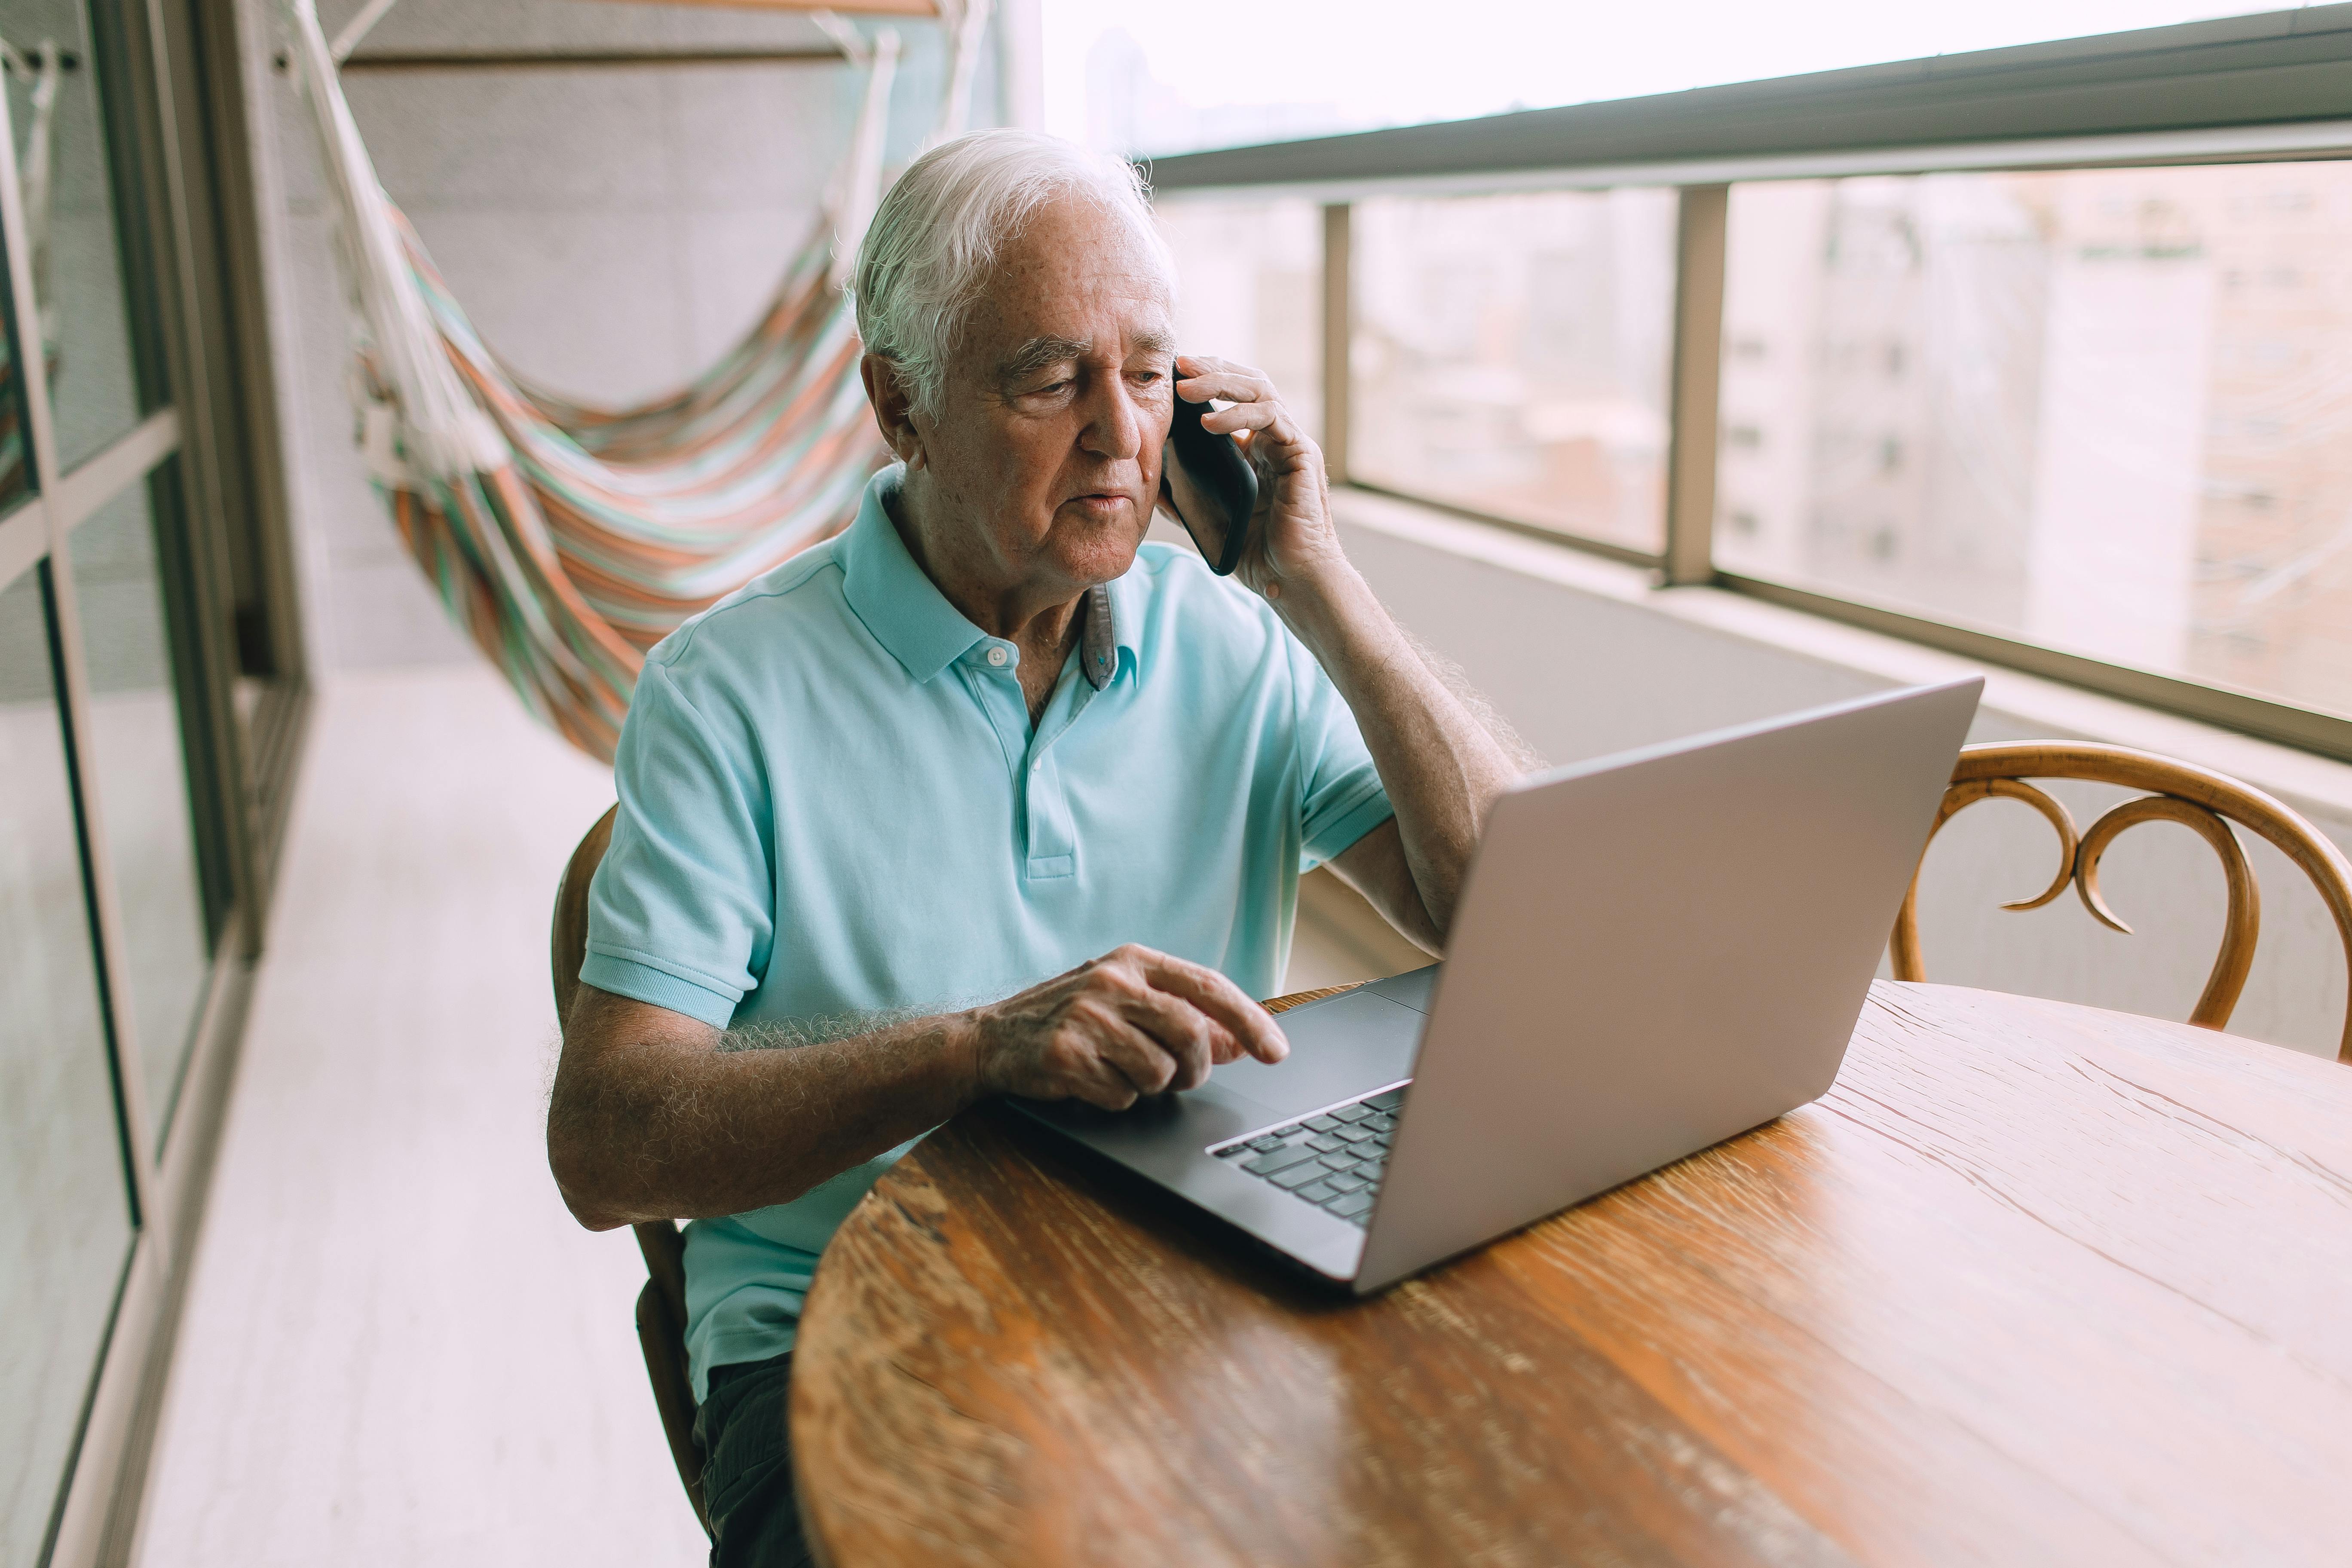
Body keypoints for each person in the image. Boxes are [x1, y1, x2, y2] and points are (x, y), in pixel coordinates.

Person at [546, 128, 1525, 1566]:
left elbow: (1521, 922)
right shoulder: (724, 694)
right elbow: (607, 1145)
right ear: (903, 406)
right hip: (838, 1329)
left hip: (1189, 1278)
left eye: (1145, 371)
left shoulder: (1237, 642)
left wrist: (1322, 585)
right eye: (1050, 378)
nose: (1121, 434)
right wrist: (976, 1052)